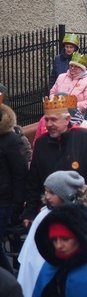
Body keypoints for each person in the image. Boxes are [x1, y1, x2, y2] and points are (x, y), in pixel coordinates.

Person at [23, 95, 87, 226]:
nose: (49, 124)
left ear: (67, 119)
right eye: (47, 120)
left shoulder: (86, 138)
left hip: (81, 212)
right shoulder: (41, 144)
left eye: (54, 120)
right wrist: (30, 212)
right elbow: (34, 181)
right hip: (50, 211)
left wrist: (80, 201)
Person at [18, 171, 87, 297]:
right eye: (46, 192)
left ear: (65, 195)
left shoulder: (83, 217)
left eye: (52, 193)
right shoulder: (43, 216)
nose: (47, 197)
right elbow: (30, 254)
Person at [0, 98, 28, 275]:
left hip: (3, 203)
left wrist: (18, 205)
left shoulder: (11, 140)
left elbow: (20, 174)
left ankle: (10, 283)